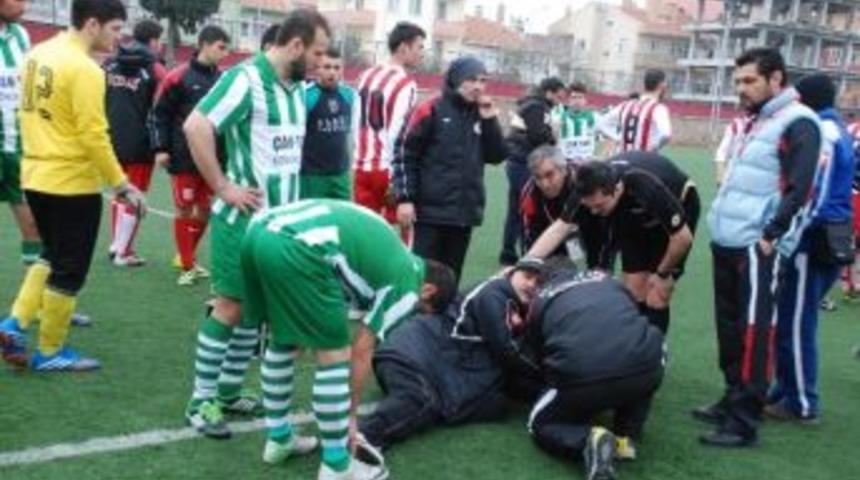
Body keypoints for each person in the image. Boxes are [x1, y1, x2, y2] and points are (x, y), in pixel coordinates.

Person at [180, 9, 330, 439]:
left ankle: (227, 392)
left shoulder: (296, 88)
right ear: (296, 45)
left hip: (280, 224)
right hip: (242, 221)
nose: (322, 62)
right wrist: (223, 186)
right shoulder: (245, 79)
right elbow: (197, 125)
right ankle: (200, 399)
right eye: (317, 53)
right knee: (230, 306)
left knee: (254, 311)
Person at [240, 199, 458, 480]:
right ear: (427, 290)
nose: (414, 312)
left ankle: (279, 438)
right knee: (334, 354)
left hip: (259, 229)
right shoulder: (409, 286)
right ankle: (336, 464)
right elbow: (362, 351)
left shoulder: (393, 252)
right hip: (299, 247)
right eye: (422, 310)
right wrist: (351, 418)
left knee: (284, 339)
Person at [0, 0, 145, 371]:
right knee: (69, 268)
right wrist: (121, 183)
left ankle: (14, 324)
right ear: (93, 24)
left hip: (34, 175)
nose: (120, 39)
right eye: (115, 29)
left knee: (50, 255)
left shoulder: (38, 52)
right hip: (70, 183)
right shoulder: (84, 69)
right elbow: (94, 136)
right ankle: (50, 352)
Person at [698, 48, 823, 447]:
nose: (741, 88)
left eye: (749, 80)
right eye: (738, 81)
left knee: (754, 331)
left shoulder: (799, 122)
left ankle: (744, 421)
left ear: (776, 79)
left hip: (757, 245)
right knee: (730, 327)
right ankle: (731, 397)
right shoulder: (757, 120)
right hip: (728, 238)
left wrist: (771, 234)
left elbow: (800, 189)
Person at [358, 257, 543, 454]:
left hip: (422, 360)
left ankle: (388, 408)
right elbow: (506, 349)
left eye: (539, 283)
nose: (532, 285)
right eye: (527, 276)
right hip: (411, 355)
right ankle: (362, 437)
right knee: (422, 400)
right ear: (510, 273)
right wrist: (549, 377)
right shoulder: (495, 292)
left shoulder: (513, 305)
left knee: (493, 404)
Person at [765, 74, 856, 424]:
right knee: (792, 317)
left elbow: (814, 194)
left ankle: (802, 402)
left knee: (797, 320)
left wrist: (789, 230)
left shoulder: (825, 133)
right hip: (825, 234)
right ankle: (787, 390)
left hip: (813, 238)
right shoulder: (835, 128)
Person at [527, 152, 700, 335]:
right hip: (633, 212)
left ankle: (655, 354)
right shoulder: (585, 189)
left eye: (599, 206)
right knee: (634, 289)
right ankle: (635, 346)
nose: (594, 212)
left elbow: (682, 238)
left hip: (677, 211)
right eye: (590, 207)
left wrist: (662, 272)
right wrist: (526, 261)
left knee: (657, 292)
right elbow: (560, 227)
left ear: (617, 189)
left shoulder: (644, 185)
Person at [526, 268, 665, 480]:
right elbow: (631, 312)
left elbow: (538, 358)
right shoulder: (610, 281)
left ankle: (588, 439)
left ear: (543, 281)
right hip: (646, 367)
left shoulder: (542, 297)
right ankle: (626, 436)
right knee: (646, 352)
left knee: (540, 423)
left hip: (585, 375)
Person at [392, 56, 508, 283]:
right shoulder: (430, 109)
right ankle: (408, 317)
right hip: (428, 214)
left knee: (450, 280)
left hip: (462, 215)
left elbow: (497, 156)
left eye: (483, 80)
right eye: (472, 79)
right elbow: (405, 153)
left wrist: (489, 121)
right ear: (456, 79)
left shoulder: (481, 113)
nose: (478, 86)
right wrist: (404, 198)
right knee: (419, 275)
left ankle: (444, 319)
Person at [150, 25, 230, 286]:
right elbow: (159, 114)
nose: (225, 53)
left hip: (212, 159)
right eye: (221, 47)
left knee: (206, 210)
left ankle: (187, 257)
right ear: (204, 45)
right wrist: (160, 148)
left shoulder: (223, 79)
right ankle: (186, 265)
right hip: (183, 155)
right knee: (184, 209)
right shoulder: (178, 76)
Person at [353, 22, 425, 237]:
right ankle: (404, 270)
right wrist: (398, 177)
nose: (422, 53)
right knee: (406, 225)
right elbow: (398, 132)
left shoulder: (365, 75)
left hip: (361, 167)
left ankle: (364, 270)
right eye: (419, 47)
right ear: (404, 48)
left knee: (366, 232)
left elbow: (356, 121)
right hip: (386, 169)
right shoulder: (405, 84)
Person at [104, 19, 166, 267]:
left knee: (120, 193)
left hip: (111, 138)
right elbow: (164, 103)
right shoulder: (154, 68)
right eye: (159, 41)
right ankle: (123, 253)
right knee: (136, 195)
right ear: (153, 41)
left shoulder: (110, 62)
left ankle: (115, 245)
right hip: (140, 143)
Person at [499, 77, 567, 265]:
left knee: (516, 209)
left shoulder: (531, 105)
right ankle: (525, 251)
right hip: (523, 161)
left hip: (519, 160)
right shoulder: (536, 107)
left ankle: (508, 252)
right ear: (549, 92)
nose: (559, 101)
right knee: (525, 208)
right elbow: (538, 136)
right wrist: (552, 135)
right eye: (558, 96)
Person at [520, 146, 609, 268]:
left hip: (591, 222)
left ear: (564, 170)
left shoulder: (585, 179)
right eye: (538, 177)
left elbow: (605, 222)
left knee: (599, 264)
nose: (545, 184)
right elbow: (529, 237)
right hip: (550, 228)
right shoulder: (529, 194)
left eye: (549, 174)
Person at [0, 0, 40, 265]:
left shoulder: (20, 35)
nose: (25, 3)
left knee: (35, 226)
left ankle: (33, 301)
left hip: (18, 147)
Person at [301, 47, 359, 201]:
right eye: (327, 67)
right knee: (314, 221)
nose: (332, 72)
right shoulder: (306, 95)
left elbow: (353, 136)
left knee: (342, 220)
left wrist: (350, 172)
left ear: (342, 71)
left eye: (336, 67)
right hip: (313, 176)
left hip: (341, 175)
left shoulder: (350, 95)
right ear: (317, 69)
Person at [597, 69, 672, 154]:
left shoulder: (625, 105)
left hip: (624, 159)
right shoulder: (658, 108)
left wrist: (618, 138)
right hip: (643, 162)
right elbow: (666, 135)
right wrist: (652, 150)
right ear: (661, 85)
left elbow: (601, 123)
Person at [557, 81, 600, 165]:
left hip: (586, 163)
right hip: (566, 162)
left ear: (585, 100)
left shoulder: (594, 117)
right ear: (568, 100)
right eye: (574, 97)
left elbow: (612, 136)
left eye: (580, 97)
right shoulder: (559, 117)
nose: (577, 101)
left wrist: (602, 155)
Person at [713, 114, 750, 187]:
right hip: (735, 168)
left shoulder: (765, 124)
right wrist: (720, 175)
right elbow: (722, 152)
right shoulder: (736, 125)